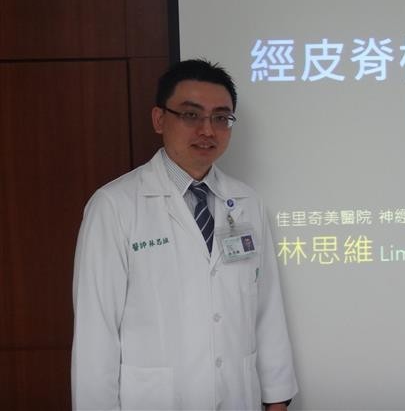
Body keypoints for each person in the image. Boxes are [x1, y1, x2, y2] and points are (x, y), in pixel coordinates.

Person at [71, 59, 298, 410]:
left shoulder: (247, 202)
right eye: (191, 115)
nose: (208, 130)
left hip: (237, 396)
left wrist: (277, 397)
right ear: (159, 119)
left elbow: (266, 309)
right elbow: (95, 331)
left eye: (221, 118)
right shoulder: (114, 206)